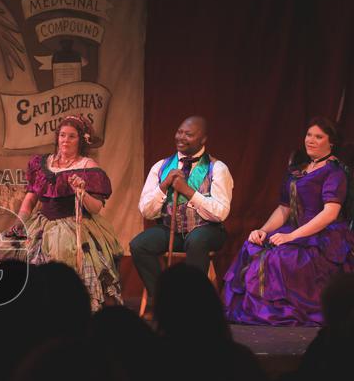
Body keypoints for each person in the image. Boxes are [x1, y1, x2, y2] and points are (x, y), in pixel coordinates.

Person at [223, 117, 354, 326]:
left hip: (323, 234)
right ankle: (257, 312)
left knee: (281, 257)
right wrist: (263, 230)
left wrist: (292, 235)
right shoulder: (298, 170)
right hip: (295, 228)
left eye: (319, 137)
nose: (311, 140)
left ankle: (278, 312)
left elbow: (330, 213)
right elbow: (285, 208)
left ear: (331, 142)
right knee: (253, 246)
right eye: (309, 135)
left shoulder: (334, 172)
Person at [0, 115, 122, 310]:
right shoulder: (42, 164)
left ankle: (63, 308)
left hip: (73, 222)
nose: (65, 140)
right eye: (62, 135)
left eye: (72, 136)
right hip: (41, 222)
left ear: (81, 140)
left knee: (62, 253)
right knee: (8, 247)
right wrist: (20, 224)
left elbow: (96, 207)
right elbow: (30, 199)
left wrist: (80, 192)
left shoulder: (87, 167)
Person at [130, 115, 232, 306]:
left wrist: (188, 191)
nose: (181, 137)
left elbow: (220, 212)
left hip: (207, 229)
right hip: (171, 229)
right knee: (139, 245)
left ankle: (191, 303)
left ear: (203, 140)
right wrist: (164, 186)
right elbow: (146, 211)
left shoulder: (217, 168)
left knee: (197, 241)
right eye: (179, 132)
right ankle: (164, 300)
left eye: (189, 134)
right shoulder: (161, 167)